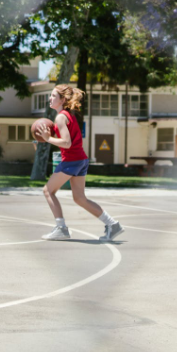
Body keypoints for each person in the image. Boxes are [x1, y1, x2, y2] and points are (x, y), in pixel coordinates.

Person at [38, 84, 123, 242]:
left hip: (72, 160)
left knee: (48, 191)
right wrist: (45, 139)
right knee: (79, 198)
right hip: (80, 159)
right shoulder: (67, 115)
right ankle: (113, 224)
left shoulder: (61, 117)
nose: (50, 98)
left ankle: (61, 228)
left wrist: (48, 139)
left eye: (53, 96)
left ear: (62, 99)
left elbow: (66, 142)